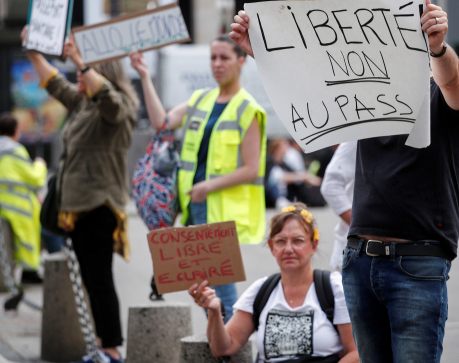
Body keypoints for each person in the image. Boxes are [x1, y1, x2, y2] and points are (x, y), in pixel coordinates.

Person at [230, 0, 459, 362]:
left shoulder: (441, 92)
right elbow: (310, 81)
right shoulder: (366, 94)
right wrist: (262, 51)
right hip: (359, 262)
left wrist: (439, 50)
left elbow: (454, 81)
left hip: (416, 262)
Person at [130, 34, 267, 322]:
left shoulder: (248, 108)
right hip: (194, 206)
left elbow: (252, 168)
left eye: (224, 58)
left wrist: (208, 185)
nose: (217, 64)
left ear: (241, 61)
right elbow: (161, 123)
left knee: (221, 290)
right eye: (213, 58)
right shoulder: (201, 99)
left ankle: (230, 348)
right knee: (202, 286)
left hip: (219, 210)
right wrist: (144, 75)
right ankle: (221, 344)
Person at [22, 27, 138, 363]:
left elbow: (111, 103)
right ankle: (102, 347)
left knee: (100, 282)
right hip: (78, 206)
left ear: (102, 73)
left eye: (85, 68)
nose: (77, 73)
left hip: (99, 206)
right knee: (91, 281)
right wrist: (33, 50)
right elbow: (55, 83)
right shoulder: (85, 105)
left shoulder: (118, 107)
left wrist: (78, 58)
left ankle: (111, 350)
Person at [189, 203, 359, 363]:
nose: (288, 249)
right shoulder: (261, 291)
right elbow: (224, 348)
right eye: (281, 241)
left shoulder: (334, 288)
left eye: (298, 240)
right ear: (271, 247)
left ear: (313, 245)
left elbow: (357, 353)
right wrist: (214, 310)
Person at [0, 113, 47, 283]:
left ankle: (8, 273)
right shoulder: (15, 150)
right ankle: (30, 272)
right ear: (16, 130)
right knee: (27, 239)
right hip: (19, 205)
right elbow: (35, 178)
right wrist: (40, 164)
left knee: (5, 242)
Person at [320, 141, 356, 271]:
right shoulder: (363, 133)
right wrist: (361, 227)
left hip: (412, 251)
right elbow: (330, 186)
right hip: (358, 252)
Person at [266, 138, 322, 209]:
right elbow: (277, 177)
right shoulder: (269, 161)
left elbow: (295, 173)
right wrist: (302, 177)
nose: (288, 148)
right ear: (277, 148)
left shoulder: (283, 163)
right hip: (271, 192)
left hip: (285, 192)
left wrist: (308, 177)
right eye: (285, 145)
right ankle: (280, 201)